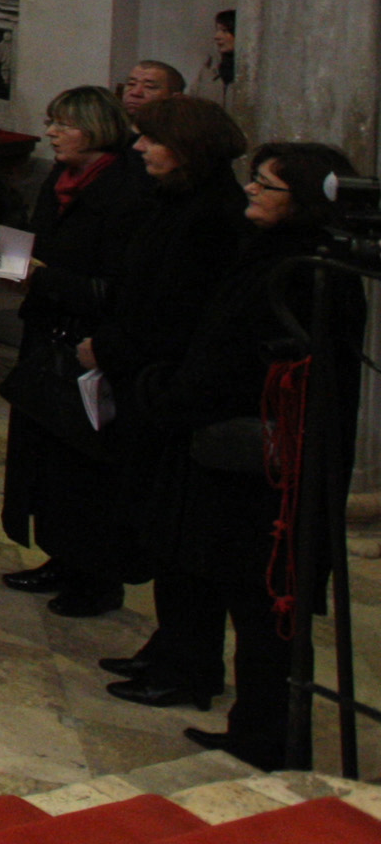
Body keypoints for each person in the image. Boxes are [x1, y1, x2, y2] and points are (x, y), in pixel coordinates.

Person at [133, 139, 363, 764]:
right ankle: (252, 725)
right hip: (233, 457)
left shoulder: (307, 273)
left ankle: (273, 740)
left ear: (306, 201)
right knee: (234, 590)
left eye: (266, 185)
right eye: (254, 180)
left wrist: (173, 393)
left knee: (268, 606)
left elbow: (250, 365)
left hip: (267, 470)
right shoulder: (266, 256)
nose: (252, 192)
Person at [78, 94, 256, 709]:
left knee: (182, 544)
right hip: (149, 380)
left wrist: (113, 349)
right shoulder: (177, 203)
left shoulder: (213, 218)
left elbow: (178, 315)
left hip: (171, 392)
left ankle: (189, 664)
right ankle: (171, 645)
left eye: (151, 139)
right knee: (159, 533)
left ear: (186, 148)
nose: (138, 148)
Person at [0, 84, 148, 620]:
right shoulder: (61, 182)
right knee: (46, 458)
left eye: (63, 124)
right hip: (47, 332)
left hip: (87, 341)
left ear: (95, 129)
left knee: (84, 465)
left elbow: (121, 281)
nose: (51, 133)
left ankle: (95, 577)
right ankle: (60, 555)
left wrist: (48, 279)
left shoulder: (123, 191)